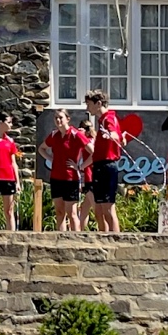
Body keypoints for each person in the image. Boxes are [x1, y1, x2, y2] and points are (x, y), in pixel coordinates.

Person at [39, 109, 93, 232]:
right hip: (56, 177)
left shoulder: (75, 134)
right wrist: (50, 158)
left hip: (70, 178)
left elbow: (93, 152)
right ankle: (61, 239)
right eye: (56, 118)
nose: (58, 120)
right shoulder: (54, 135)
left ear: (67, 119)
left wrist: (81, 166)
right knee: (59, 212)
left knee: (72, 213)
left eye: (61, 117)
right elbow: (41, 148)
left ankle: (76, 239)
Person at [84, 89, 123, 232]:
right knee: (100, 209)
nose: (87, 108)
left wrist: (111, 135)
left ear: (98, 103)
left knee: (108, 208)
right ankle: (104, 238)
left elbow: (114, 133)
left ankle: (116, 240)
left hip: (107, 166)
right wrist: (82, 166)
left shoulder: (108, 119)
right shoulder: (101, 121)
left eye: (89, 104)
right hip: (100, 165)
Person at [77, 119, 99, 230]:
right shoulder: (95, 140)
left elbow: (92, 155)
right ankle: (80, 231)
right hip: (95, 174)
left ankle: (103, 229)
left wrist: (81, 167)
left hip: (89, 175)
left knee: (95, 207)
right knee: (85, 207)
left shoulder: (86, 142)